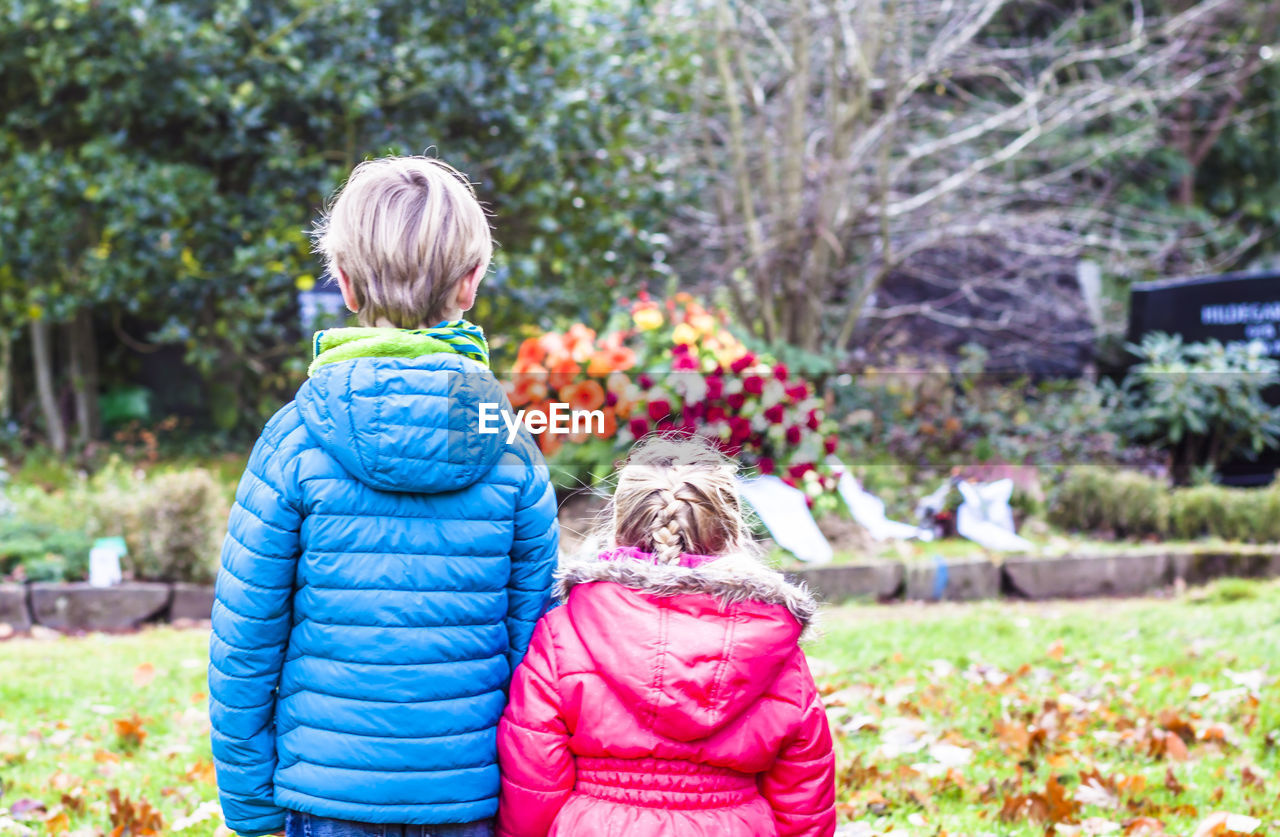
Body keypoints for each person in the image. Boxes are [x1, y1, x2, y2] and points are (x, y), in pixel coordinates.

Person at [209, 155, 559, 837]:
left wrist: (251, 805)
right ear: (471, 283)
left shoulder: (294, 439)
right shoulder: (511, 444)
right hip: (471, 798)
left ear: (342, 282)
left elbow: (245, 638)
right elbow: (536, 648)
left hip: (325, 797)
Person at [496, 435, 836, 837]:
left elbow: (534, 771)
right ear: (730, 529)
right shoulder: (773, 642)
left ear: (620, 522)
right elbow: (804, 789)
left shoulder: (563, 632)